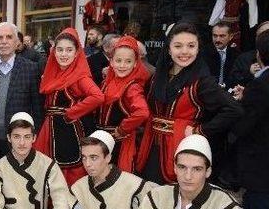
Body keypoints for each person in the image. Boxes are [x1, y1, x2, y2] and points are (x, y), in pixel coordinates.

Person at [136, 23, 242, 184]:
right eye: (178, 46)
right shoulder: (157, 76)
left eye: (191, 46)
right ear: (169, 49)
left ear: (198, 49)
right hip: (150, 144)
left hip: (181, 146)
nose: (184, 51)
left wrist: (200, 129)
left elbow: (234, 110)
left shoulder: (202, 82)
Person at [34, 27, 104, 185]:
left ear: (77, 52)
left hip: (68, 131)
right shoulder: (53, 72)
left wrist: (72, 112)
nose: (63, 54)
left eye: (68, 50)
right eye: (59, 50)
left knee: (68, 170)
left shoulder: (80, 76)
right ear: (54, 52)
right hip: (49, 128)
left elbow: (98, 97)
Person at [230, 29, 269, 209]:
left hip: (260, 166)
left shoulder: (261, 85)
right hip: (260, 168)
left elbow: (246, 125)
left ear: (258, 54)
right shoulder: (260, 82)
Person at [0, 22, 43, 171]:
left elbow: (37, 108)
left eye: (9, 37)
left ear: (17, 42)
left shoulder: (30, 68)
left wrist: (33, 138)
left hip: (19, 141)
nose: (4, 41)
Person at [97, 35, 151, 172]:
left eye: (128, 61)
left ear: (135, 63)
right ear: (111, 62)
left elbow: (142, 112)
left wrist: (122, 129)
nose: (122, 65)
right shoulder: (107, 81)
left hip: (120, 144)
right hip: (104, 141)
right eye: (118, 60)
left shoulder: (133, 87)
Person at [229, 20, 269, 88]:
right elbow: (232, 82)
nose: (265, 39)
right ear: (256, 38)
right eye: (262, 35)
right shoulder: (244, 59)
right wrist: (249, 74)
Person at [202, 22, 240, 89]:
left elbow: (236, 76)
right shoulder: (203, 53)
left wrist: (225, 85)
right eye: (215, 36)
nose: (217, 39)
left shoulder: (236, 54)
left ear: (230, 37)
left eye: (222, 36)